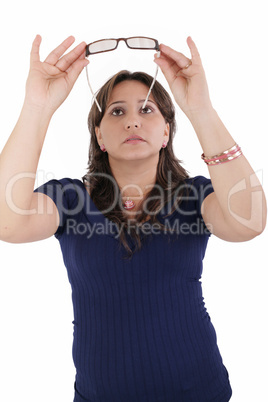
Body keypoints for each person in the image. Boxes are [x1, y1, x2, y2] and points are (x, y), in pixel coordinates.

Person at [0, 35, 266, 402]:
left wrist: (201, 109)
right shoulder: (70, 199)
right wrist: (37, 107)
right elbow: (7, 223)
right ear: (100, 136)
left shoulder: (195, 196)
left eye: (147, 110)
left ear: (166, 132)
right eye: (117, 111)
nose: (132, 122)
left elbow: (250, 223)